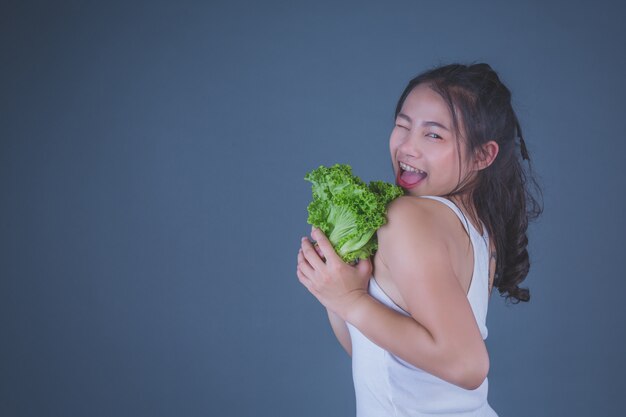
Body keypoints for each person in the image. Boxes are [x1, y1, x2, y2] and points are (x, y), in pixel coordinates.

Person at [296, 63, 542, 416]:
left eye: (434, 135)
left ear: (482, 155)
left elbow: (466, 365)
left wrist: (350, 301)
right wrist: (334, 292)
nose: (407, 147)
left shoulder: (409, 218)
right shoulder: (474, 227)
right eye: (402, 125)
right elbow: (382, 355)